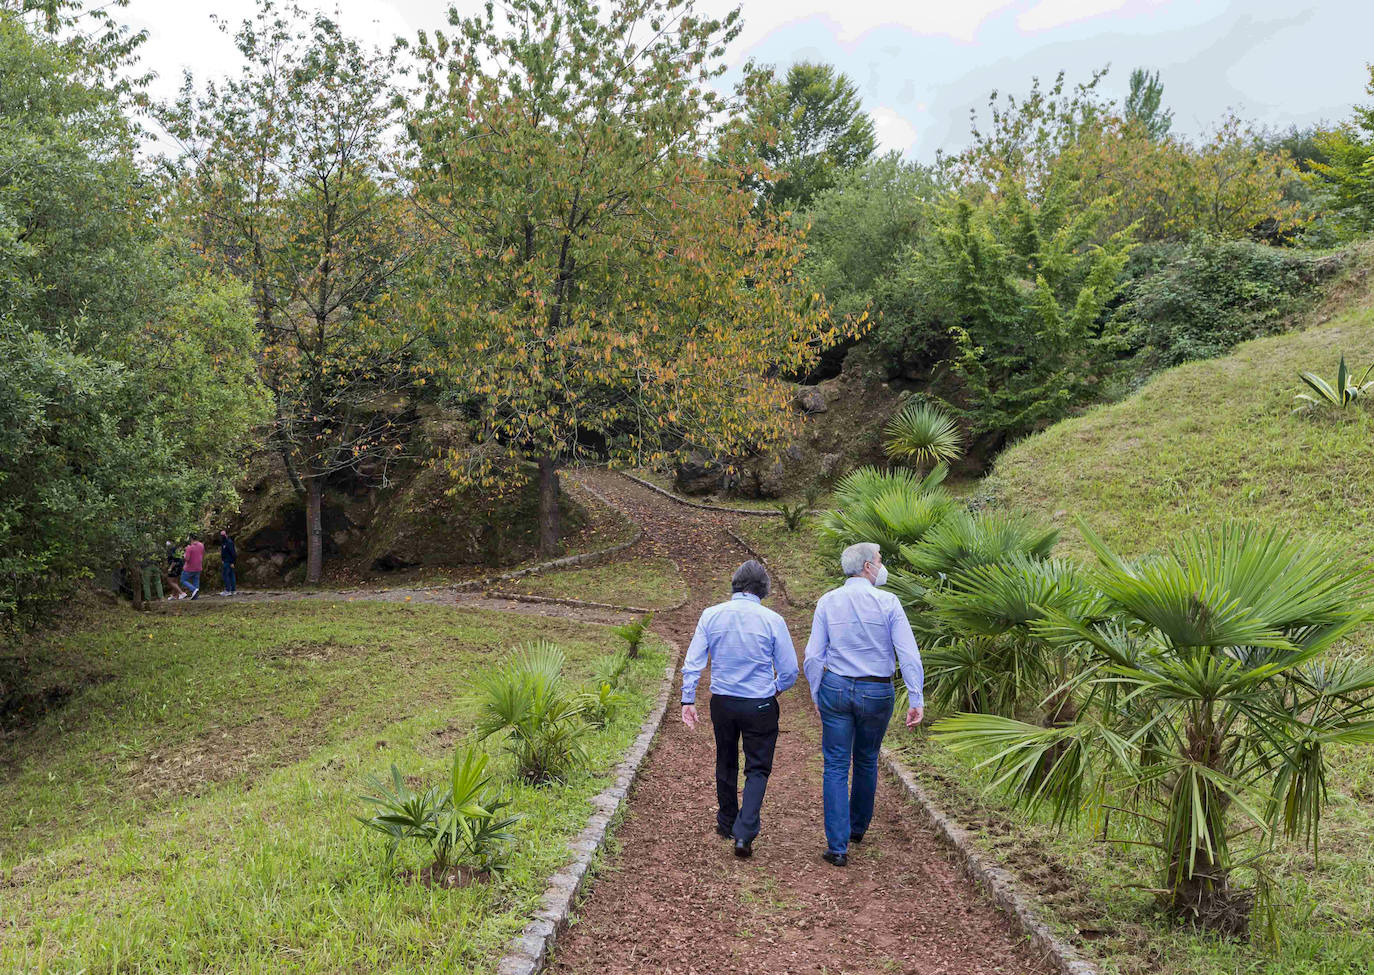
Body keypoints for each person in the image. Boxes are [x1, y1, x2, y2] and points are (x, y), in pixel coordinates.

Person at [803, 541, 924, 867]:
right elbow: (908, 653)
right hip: (876, 690)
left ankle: (837, 846)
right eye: (880, 560)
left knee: (836, 764)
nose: (882, 565)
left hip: (837, 688)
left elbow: (813, 655)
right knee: (867, 758)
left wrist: (817, 693)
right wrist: (916, 697)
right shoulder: (888, 602)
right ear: (868, 567)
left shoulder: (828, 602)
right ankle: (858, 828)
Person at [680, 560, 799, 859]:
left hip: (723, 700)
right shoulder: (772, 620)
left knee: (726, 758)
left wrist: (688, 699)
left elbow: (694, 660)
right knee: (757, 767)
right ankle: (744, 833)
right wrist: (774, 688)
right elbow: (789, 670)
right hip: (759, 702)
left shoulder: (711, 615)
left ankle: (726, 821)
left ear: (734, 584)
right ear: (764, 589)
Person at [180, 534, 205, 600]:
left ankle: (193, 589)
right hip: (198, 566)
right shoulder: (201, 545)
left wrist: (184, 554)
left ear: (191, 539)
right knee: (196, 580)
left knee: (183, 580)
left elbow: (187, 558)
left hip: (189, 567)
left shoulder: (189, 547)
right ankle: (195, 596)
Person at [218, 529, 238, 596]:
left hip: (229, 561)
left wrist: (232, 562)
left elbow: (233, 553)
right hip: (226, 561)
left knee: (226, 575)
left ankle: (228, 590)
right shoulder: (223, 542)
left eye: (223, 535)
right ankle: (232, 590)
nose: (222, 536)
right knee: (230, 575)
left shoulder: (229, 542)